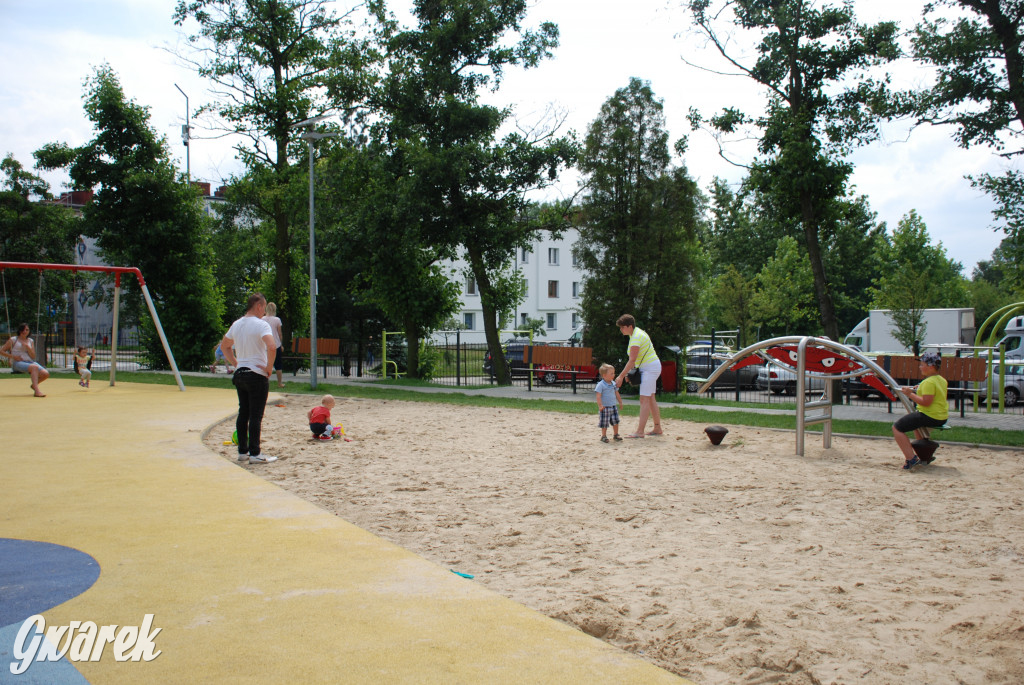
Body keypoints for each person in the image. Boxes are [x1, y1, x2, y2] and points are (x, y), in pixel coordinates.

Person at [221, 293, 277, 464]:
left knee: (243, 412)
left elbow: (225, 346)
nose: (264, 311)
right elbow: (272, 345)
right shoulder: (261, 325)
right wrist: (269, 367)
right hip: (256, 374)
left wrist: (237, 363)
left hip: (241, 374)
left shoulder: (236, 324)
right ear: (258, 306)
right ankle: (255, 453)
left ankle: (242, 451)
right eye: (264, 306)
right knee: (255, 415)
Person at [892, 351, 948, 469]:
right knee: (916, 426)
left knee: (897, 428)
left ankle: (910, 458)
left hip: (929, 415)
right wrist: (920, 388)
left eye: (922, 365)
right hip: (941, 416)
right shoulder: (940, 380)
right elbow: (933, 393)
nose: (920, 367)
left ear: (931, 367)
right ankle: (924, 455)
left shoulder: (928, 382)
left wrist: (909, 394)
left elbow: (926, 402)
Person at [614, 314, 662, 438]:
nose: (621, 330)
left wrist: (620, 376)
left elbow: (632, 360)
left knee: (644, 399)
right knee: (650, 398)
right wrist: (629, 373)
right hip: (650, 367)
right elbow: (637, 359)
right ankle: (657, 428)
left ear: (630, 326)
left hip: (649, 369)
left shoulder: (636, 337)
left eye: (622, 327)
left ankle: (640, 431)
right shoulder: (636, 334)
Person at [0, 323, 50, 397]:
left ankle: (34, 385)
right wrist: (13, 357)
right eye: (23, 329)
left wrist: (28, 347)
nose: (25, 331)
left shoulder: (30, 341)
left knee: (45, 374)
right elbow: (1, 351)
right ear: (20, 331)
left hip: (29, 362)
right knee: (34, 367)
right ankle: (37, 391)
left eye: (27, 330)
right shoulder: (14, 339)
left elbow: (33, 356)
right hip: (17, 363)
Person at [595, 363, 623, 443]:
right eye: (611, 373)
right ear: (604, 375)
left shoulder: (613, 384)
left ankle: (616, 434)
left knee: (615, 421)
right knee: (604, 422)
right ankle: (603, 436)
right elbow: (598, 396)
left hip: (613, 406)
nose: (613, 375)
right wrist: (600, 405)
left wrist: (620, 402)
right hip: (605, 407)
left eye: (614, 373)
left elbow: (616, 393)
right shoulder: (600, 385)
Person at [263, 301, 285, 388]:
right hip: (276, 344)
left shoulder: (262, 319)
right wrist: (281, 344)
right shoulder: (277, 320)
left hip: (265, 345)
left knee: (266, 364)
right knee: (278, 365)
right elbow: (279, 333)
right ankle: (279, 383)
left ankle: (265, 382)